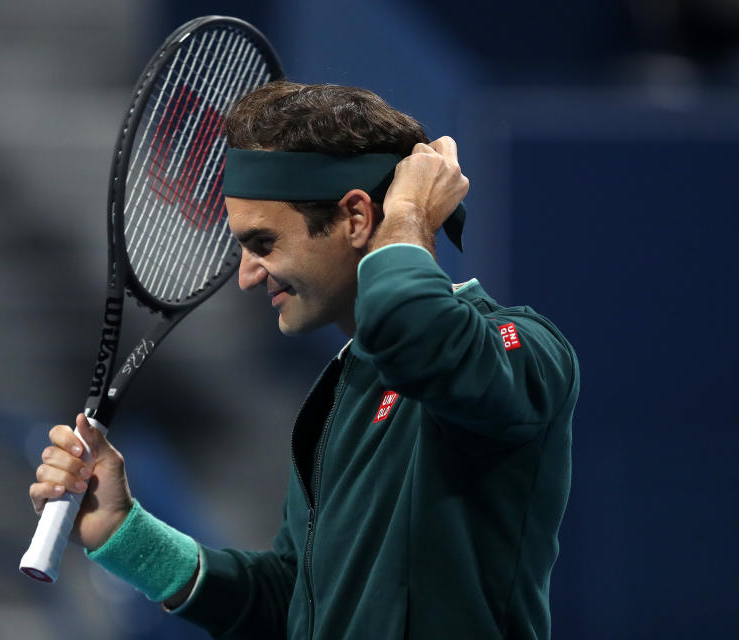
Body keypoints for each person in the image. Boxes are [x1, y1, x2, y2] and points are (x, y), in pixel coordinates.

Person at [29, 81, 580, 639]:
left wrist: (409, 211)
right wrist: (124, 533)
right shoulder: (344, 389)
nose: (245, 276)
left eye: (263, 243)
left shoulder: (524, 348)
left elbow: (417, 335)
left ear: (358, 218)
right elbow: (294, 603)